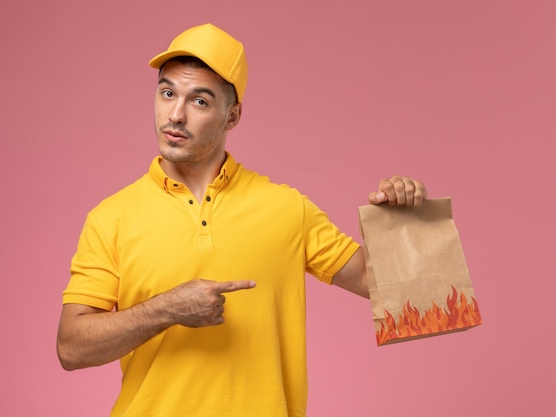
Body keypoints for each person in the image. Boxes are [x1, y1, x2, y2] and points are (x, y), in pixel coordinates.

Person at [56, 23, 427, 417]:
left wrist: (404, 226)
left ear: (232, 116)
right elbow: (71, 349)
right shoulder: (111, 217)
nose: (176, 115)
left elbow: (409, 295)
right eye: (167, 93)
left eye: (200, 101)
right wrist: (167, 309)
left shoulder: (288, 209)